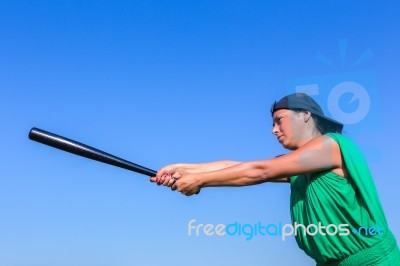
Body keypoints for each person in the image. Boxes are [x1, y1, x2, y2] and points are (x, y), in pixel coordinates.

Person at [150, 92, 400, 265]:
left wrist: (200, 181)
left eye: (279, 121)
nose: (273, 130)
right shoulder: (302, 170)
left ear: (305, 115)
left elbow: (260, 171)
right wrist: (185, 169)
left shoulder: (331, 146)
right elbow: (237, 166)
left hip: (373, 261)